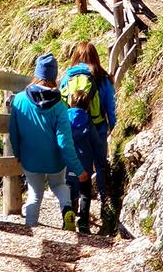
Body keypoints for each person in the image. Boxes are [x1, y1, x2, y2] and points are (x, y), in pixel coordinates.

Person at [9, 52, 89, 230]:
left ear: (36, 73)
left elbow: (13, 132)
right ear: (54, 76)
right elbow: (65, 143)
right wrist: (78, 169)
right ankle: (67, 209)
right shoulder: (59, 105)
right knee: (59, 185)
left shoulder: (19, 100)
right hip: (55, 161)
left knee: (35, 193)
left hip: (30, 159)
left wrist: (17, 153)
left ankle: (30, 226)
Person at [59, 42, 117, 231]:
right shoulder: (102, 78)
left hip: (72, 128)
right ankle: (105, 205)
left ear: (76, 56)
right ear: (95, 57)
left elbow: (60, 105)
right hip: (97, 126)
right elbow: (110, 106)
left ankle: (72, 205)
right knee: (100, 165)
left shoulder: (67, 77)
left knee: (75, 166)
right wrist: (113, 127)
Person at [65, 87, 104, 234]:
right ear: (88, 105)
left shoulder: (64, 120)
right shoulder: (88, 122)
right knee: (85, 193)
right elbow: (97, 144)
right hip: (85, 165)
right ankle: (83, 223)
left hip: (68, 164)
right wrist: (101, 163)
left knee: (68, 189)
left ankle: (67, 215)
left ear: (71, 103)